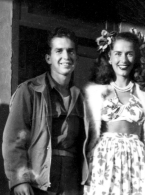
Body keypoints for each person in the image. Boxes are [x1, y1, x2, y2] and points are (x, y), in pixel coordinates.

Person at [2, 27, 89, 195]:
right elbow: (13, 139)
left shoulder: (82, 98)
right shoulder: (29, 91)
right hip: (38, 183)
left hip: (71, 183)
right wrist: (19, 180)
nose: (66, 56)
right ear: (49, 58)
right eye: (59, 51)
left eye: (70, 51)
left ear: (76, 58)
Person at [83, 28, 145, 195]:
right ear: (109, 57)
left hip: (137, 162)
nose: (123, 60)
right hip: (104, 161)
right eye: (118, 53)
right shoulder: (95, 93)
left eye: (129, 54)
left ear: (136, 57)